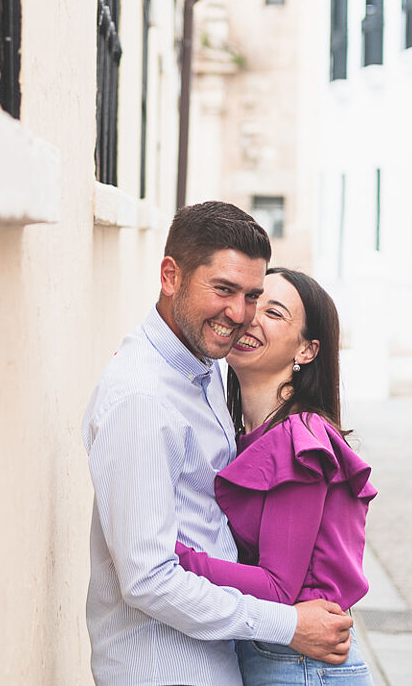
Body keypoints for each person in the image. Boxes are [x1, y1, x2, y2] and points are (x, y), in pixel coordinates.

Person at [83, 202, 354, 686]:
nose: (240, 314)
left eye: (252, 296)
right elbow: (148, 578)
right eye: (224, 289)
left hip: (221, 658)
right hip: (165, 668)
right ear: (171, 276)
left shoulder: (205, 370)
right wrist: (288, 625)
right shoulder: (142, 399)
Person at [173, 268, 377, 685]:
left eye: (274, 312)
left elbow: (277, 587)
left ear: (306, 350)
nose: (249, 317)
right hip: (279, 655)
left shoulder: (297, 441)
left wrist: (169, 554)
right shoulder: (246, 435)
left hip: (302, 666)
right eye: (254, 302)